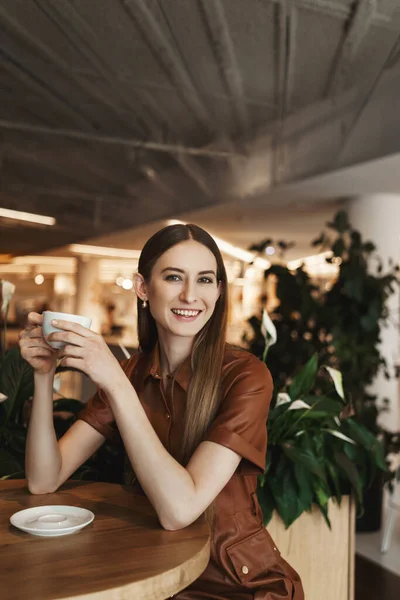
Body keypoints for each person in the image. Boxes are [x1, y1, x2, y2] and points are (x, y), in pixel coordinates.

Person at [19, 223, 304, 599]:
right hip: (158, 577)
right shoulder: (132, 373)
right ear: (142, 288)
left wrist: (116, 384)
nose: (190, 295)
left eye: (205, 280)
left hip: (238, 585)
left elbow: (179, 510)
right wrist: (44, 376)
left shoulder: (246, 376)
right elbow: (44, 479)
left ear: (218, 291)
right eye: (173, 277)